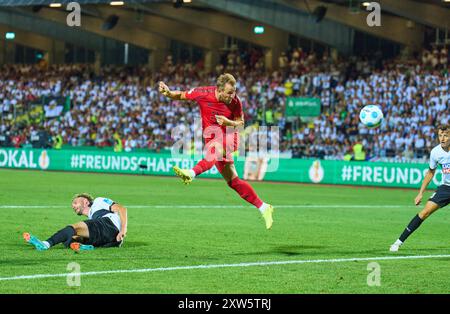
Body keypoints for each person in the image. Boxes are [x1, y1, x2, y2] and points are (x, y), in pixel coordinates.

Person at [158, 73, 274, 229]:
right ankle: (264, 207)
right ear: (219, 90)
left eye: (233, 92)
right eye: (229, 93)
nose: (232, 96)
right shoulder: (202, 93)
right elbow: (182, 95)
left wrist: (228, 122)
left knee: (216, 149)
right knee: (233, 182)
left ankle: (191, 173)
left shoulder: (235, 101)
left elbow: (240, 123)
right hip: (212, 140)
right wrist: (169, 93)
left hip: (230, 136)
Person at [390, 125, 450, 252]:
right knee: (424, 212)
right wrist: (420, 193)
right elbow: (430, 172)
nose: (442, 138)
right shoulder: (435, 152)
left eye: (445, 135)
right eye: (440, 135)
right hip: (446, 188)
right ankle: (398, 242)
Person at [23, 193, 127, 252]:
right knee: (68, 238)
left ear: (86, 202)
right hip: (110, 240)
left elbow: (122, 209)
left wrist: (123, 230)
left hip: (109, 225)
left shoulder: (98, 201)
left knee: (74, 228)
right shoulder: (93, 217)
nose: (73, 206)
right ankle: (85, 247)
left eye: (75, 202)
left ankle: (46, 244)